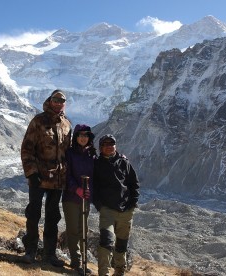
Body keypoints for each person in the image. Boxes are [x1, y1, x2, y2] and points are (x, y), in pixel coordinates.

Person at [20, 89, 72, 267]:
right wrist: (31, 173)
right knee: (33, 214)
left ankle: (49, 255)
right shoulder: (38, 121)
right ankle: (30, 251)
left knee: (53, 216)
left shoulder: (67, 124)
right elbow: (27, 148)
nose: (58, 103)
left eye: (62, 101)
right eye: (55, 100)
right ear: (50, 101)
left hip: (58, 180)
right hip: (39, 177)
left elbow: (68, 153)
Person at [93, 134, 140, 276]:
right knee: (106, 241)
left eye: (112, 143)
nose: (109, 146)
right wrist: (99, 206)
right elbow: (93, 187)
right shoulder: (96, 164)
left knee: (121, 244)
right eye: (106, 144)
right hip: (107, 210)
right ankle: (104, 273)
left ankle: (119, 271)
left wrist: (132, 204)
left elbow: (134, 184)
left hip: (126, 211)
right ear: (101, 147)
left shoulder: (124, 162)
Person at [62, 124, 97, 275]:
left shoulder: (92, 155)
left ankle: (84, 262)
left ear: (89, 138)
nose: (83, 137)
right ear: (76, 137)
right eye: (80, 135)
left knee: (83, 230)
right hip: (71, 197)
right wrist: (76, 189)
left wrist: (89, 191)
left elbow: (96, 178)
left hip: (86, 198)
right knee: (73, 230)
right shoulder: (69, 153)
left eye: (86, 135)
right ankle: (76, 262)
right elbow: (66, 174)